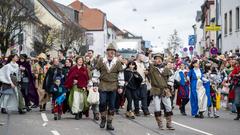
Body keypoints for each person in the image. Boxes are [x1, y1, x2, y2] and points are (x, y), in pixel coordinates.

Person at [91, 43, 124, 130]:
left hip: (113, 85)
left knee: (112, 105)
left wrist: (121, 86)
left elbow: (121, 74)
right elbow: (96, 72)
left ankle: (109, 123)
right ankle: (103, 119)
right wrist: (94, 84)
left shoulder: (117, 62)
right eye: (110, 51)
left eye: (113, 51)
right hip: (103, 84)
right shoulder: (101, 60)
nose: (112, 53)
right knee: (102, 103)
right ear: (107, 52)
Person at [148, 53, 174, 130]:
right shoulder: (152, 68)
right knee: (157, 107)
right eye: (156, 59)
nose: (158, 60)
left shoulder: (166, 69)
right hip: (156, 89)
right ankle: (160, 124)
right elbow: (146, 63)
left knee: (169, 107)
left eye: (160, 59)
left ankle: (169, 124)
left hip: (165, 90)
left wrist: (169, 86)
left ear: (162, 60)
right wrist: (148, 56)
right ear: (154, 60)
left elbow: (171, 78)